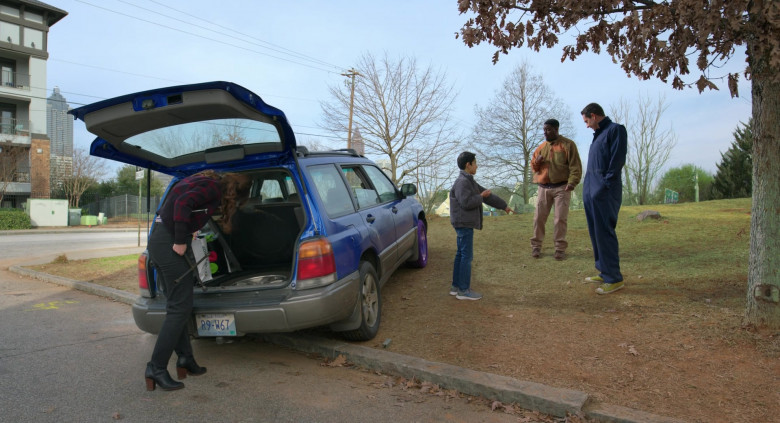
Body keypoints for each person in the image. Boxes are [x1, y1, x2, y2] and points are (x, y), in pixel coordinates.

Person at [145, 170, 251, 391]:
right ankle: (156, 368)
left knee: (178, 306)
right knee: (179, 308)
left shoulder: (202, 181)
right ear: (235, 192)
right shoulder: (212, 189)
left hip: (159, 240)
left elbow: (176, 204)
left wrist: (186, 230)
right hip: (168, 244)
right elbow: (182, 202)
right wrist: (180, 238)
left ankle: (185, 359)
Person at [449, 151, 512, 300]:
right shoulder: (462, 182)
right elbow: (466, 203)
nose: (477, 166)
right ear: (468, 165)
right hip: (463, 223)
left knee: (461, 254)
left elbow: (487, 194)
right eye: (475, 163)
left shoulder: (469, 181)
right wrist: (480, 197)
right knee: (466, 256)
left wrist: (504, 206)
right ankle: (463, 291)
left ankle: (456, 286)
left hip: (463, 223)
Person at [580, 103, 628, 295]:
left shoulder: (615, 130)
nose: (586, 125)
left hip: (604, 191)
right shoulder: (597, 135)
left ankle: (614, 278)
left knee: (605, 232)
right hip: (591, 190)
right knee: (595, 232)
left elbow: (617, 161)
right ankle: (603, 270)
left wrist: (604, 186)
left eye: (586, 121)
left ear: (594, 115)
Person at [530, 119, 582, 261]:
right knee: (539, 218)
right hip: (543, 188)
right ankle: (536, 246)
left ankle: (559, 249)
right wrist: (537, 162)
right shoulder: (540, 148)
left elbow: (575, 166)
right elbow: (534, 168)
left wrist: (572, 182)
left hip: (562, 187)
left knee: (560, 219)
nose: (545, 133)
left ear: (556, 129)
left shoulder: (568, 145)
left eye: (548, 130)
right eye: (544, 130)